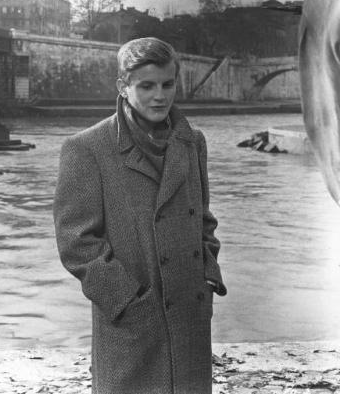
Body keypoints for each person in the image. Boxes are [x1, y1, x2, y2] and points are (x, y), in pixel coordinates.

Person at [54, 37, 226, 394]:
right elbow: (77, 244)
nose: (160, 96)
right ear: (123, 87)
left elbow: (204, 220)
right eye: (146, 86)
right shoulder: (87, 148)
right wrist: (128, 303)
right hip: (131, 323)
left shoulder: (193, 142)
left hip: (189, 318)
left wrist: (207, 276)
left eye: (168, 84)